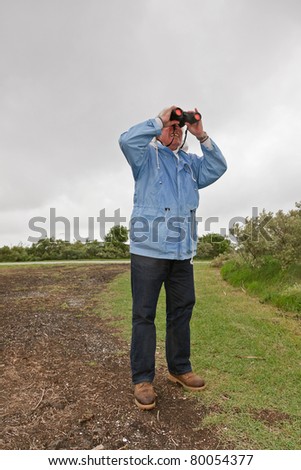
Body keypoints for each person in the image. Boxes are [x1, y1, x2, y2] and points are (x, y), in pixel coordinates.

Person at [119, 105, 227, 410]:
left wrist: (201, 134)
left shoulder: (192, 165)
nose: (175, 130)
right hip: (148, 251)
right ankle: (142, 379)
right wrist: (160, 120)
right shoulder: (145, 158)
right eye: (171, 127)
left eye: (180, 128)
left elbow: (218, 167)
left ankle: (179, 369)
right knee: (144, 314)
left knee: (181, 311)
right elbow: (126, 141)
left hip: (182, 252)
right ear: (160, 131)